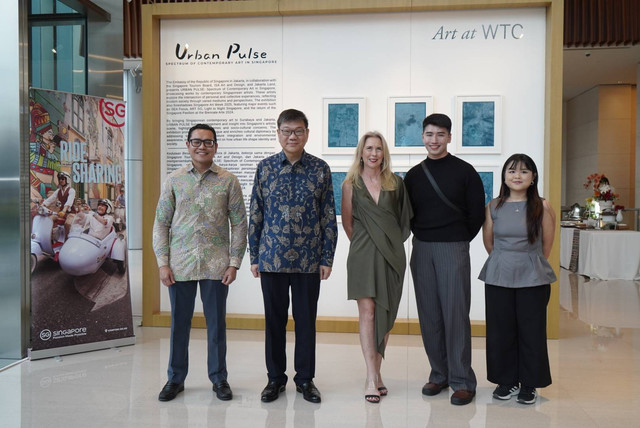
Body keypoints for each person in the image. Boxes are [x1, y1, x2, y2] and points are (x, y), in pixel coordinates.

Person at [153, 123, 247, 402]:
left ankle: (219, 379)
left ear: (216, 146)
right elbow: (161, 224)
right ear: (187, 145)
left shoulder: (228, 181)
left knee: (216, 325)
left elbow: (239, 224)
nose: (202, 146)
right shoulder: (174, 180)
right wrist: (162, 262)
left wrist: (234, 262)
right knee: (178, 325)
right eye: (196, 141)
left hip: (216, 266)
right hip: (179, 265)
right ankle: (175, 379)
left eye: (208, 142)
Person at [249, 109, 337, 404]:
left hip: (309, 260)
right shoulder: (265, 168)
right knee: (274, 321)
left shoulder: (320, 169)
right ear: (278, 133)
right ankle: (275, 379)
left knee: (305, 321)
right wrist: (254, 256)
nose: (292, 136)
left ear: (307, 134)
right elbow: (255, 214)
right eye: (286, 131)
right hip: (272, 258)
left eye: (298, 131)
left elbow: (328, 216)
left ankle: (305, 379)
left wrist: (327, 257)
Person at [403, 113, 485, 406]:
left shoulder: (465, 171)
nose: (434, 140)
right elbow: (408, 214)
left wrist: (458, 240)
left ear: (449, 137)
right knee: (429, 314)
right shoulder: (414, 175)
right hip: (422, 247)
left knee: (455, 313)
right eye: (429, 134)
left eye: (440, 134)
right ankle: (439, 374)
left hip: (453, 247)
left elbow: (476, 214)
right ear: (422, 137)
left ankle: (463, 380)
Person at [479, 153, 556, 405]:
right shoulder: (493, 206)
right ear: (504, 176)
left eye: (524, 171)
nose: (517, 176)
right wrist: (506, 260)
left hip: (532, 276)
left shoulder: (542, 206)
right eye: (512, 171)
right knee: (501, 331)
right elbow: (489, 243)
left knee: (531, 331)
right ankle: (506, 380)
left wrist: (526, 262)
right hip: (499, 274)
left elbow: (546, 245)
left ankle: (529, 384)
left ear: (533, 177)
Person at [341, 131, 412, 403]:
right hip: (362, 253)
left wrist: (389, 243)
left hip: (391, 255)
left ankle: (377, 373)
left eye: (378, 149)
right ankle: (372, 377)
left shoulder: (396, 183)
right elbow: (348, 223)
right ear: (361, 151)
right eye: (369, 148)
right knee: (368, 312)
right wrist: (367, 243)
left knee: (385, 311)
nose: (373, 154)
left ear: (384, 153)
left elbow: (404, 220)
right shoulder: (350, 184)